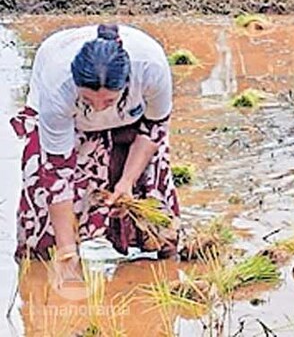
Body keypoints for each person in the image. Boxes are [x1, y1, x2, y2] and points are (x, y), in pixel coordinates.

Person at [13, 24, 179, 280]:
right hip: (69, 122)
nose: (99, 108)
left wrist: (125, 183)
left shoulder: (150, 69)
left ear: (126, 84)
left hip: (132, 122)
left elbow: (153, 129)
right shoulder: (58, 86)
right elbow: (57, 175)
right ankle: (44, 265)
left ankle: (152, 267)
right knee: (46, 228)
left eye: (108, 101)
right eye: (89, 100)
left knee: (151, 201)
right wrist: (67, 253)